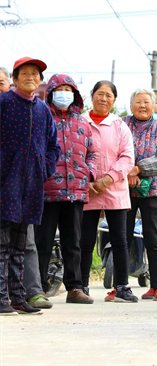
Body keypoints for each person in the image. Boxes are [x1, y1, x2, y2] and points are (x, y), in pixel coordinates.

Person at [0, 57, 60, 316]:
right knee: (1, 245)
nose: (30, 77)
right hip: (4, 185)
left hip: (31, 188)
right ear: (14, 79)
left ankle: (17, 297)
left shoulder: (43, 110)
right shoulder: (3, 103)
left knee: (19, 245)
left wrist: (43, 169)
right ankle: (1, 297)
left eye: (35, 74)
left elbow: (53, 147)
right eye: (24, 73)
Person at [35, 74, 97, 304]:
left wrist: (88, 173)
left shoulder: (82, 122)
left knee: (74, 243)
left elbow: (92, 153)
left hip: (76, 191)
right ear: (51, 92)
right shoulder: (41, 116)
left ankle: (75, 288)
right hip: (47, 190)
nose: (64, 93)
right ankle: (37, 288)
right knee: (43, 241)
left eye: (68, 89)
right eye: (59, 88)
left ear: (75, 94)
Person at [80, 80, 137, 303]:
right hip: (87, 189)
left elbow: (127, 157)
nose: (103, 99)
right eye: (100, 94)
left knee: (120, 240)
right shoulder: (80, 122)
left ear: (114, 100)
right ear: (92, 95)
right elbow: (74, 153)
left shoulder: (120, 126)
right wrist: (88, 182)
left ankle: (122, 286)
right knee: (84, 240)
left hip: (114, 189)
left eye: (109, 96)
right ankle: (81, 286)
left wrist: (107, 179)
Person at [123, 88, 157, 301]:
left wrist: (139, 169)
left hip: (153, 189)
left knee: (153, 237)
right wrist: (127, 171)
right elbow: (115, 151)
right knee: (122, 236)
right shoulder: (122, 124)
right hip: (124, 187)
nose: (142, 106)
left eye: (146, 102)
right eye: (138, 102)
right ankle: (120, 285)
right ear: (131, 105)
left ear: (153, 105)